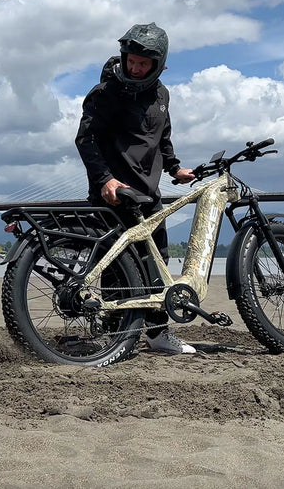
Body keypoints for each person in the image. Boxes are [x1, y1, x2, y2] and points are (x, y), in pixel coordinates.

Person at [75, 22, 197, 355]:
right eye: (132, 61)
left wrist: (174, 168)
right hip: (114, 193)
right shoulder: (106, 92)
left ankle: (157, 334)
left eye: (144, 63)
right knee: (118, 268)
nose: (136, 68)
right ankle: (115, 337)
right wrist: (104, 179)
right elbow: (86, 139)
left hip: (149, 194)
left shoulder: (162, 95)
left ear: (160, 65)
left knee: (157, 265)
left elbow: (163, 138)